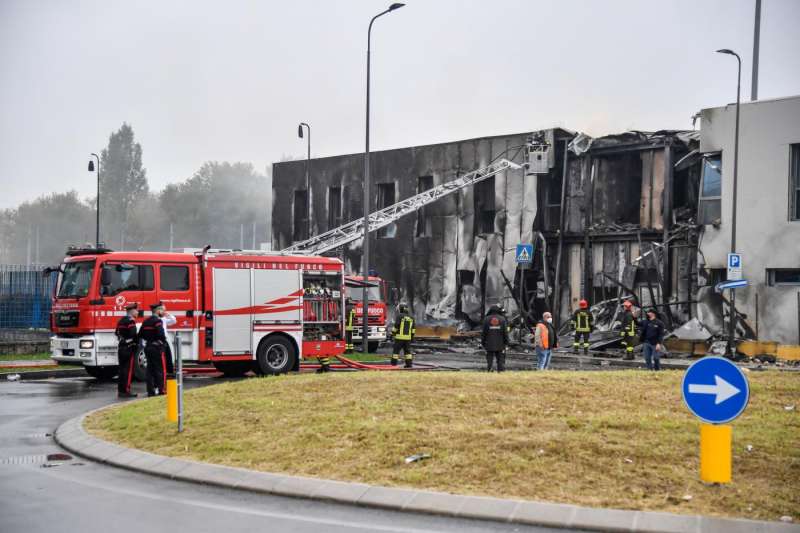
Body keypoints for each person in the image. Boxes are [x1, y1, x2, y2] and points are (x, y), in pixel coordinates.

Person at [140, 302, 168, 397]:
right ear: (158, 311)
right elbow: (161, 334)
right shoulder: (157, 321)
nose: (163, 312)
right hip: (157, 348)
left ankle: (150, 391)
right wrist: (162, 342)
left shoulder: (146, 321)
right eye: (162, 310)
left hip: (148, 347)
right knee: (160, 370)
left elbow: (140, 334)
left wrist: (149, 340)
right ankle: (162, 390)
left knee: (150, 370)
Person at [114, 302, 139, 398]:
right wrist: (135, 342)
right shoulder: (131, 321)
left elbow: (116, 333)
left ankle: (121, 390)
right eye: (136, 311)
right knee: (128, 371)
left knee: (122, 370)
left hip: (121, 346)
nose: (137, 312)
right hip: (129, 347)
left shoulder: (121, 321)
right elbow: (133, 334)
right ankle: (126, 391)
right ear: (132, 311)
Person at [481, 304, 509, 372]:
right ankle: (500, 371)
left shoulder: (486, 319)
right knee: (500, 359)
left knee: (489, 358)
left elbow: (484, 332)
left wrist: (483, 342)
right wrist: (506, 342)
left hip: (489, 343)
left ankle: (490, 369)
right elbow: (505, 332)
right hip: (500, 343)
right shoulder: (502, 319)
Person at [391, 303, 415, 368]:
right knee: (407, 352)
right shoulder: (411, 317)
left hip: (399, 338)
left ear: (401, 309)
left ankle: (393, 364)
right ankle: (409, 364)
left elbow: (396, 326)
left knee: (396, 352)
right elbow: (413, 330)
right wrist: (412, 338)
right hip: (408, 339)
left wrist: (392, 334)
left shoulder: (399, 316)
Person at [160, 304, 177, 377]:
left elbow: (174, 321)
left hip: (165, 340)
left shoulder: (164, 319)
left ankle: (169, 372)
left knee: (168, 356)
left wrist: (168, 315)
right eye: (163, 310)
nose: (164, 311)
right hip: (160, 341)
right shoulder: (157, 319)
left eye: (165, 310)